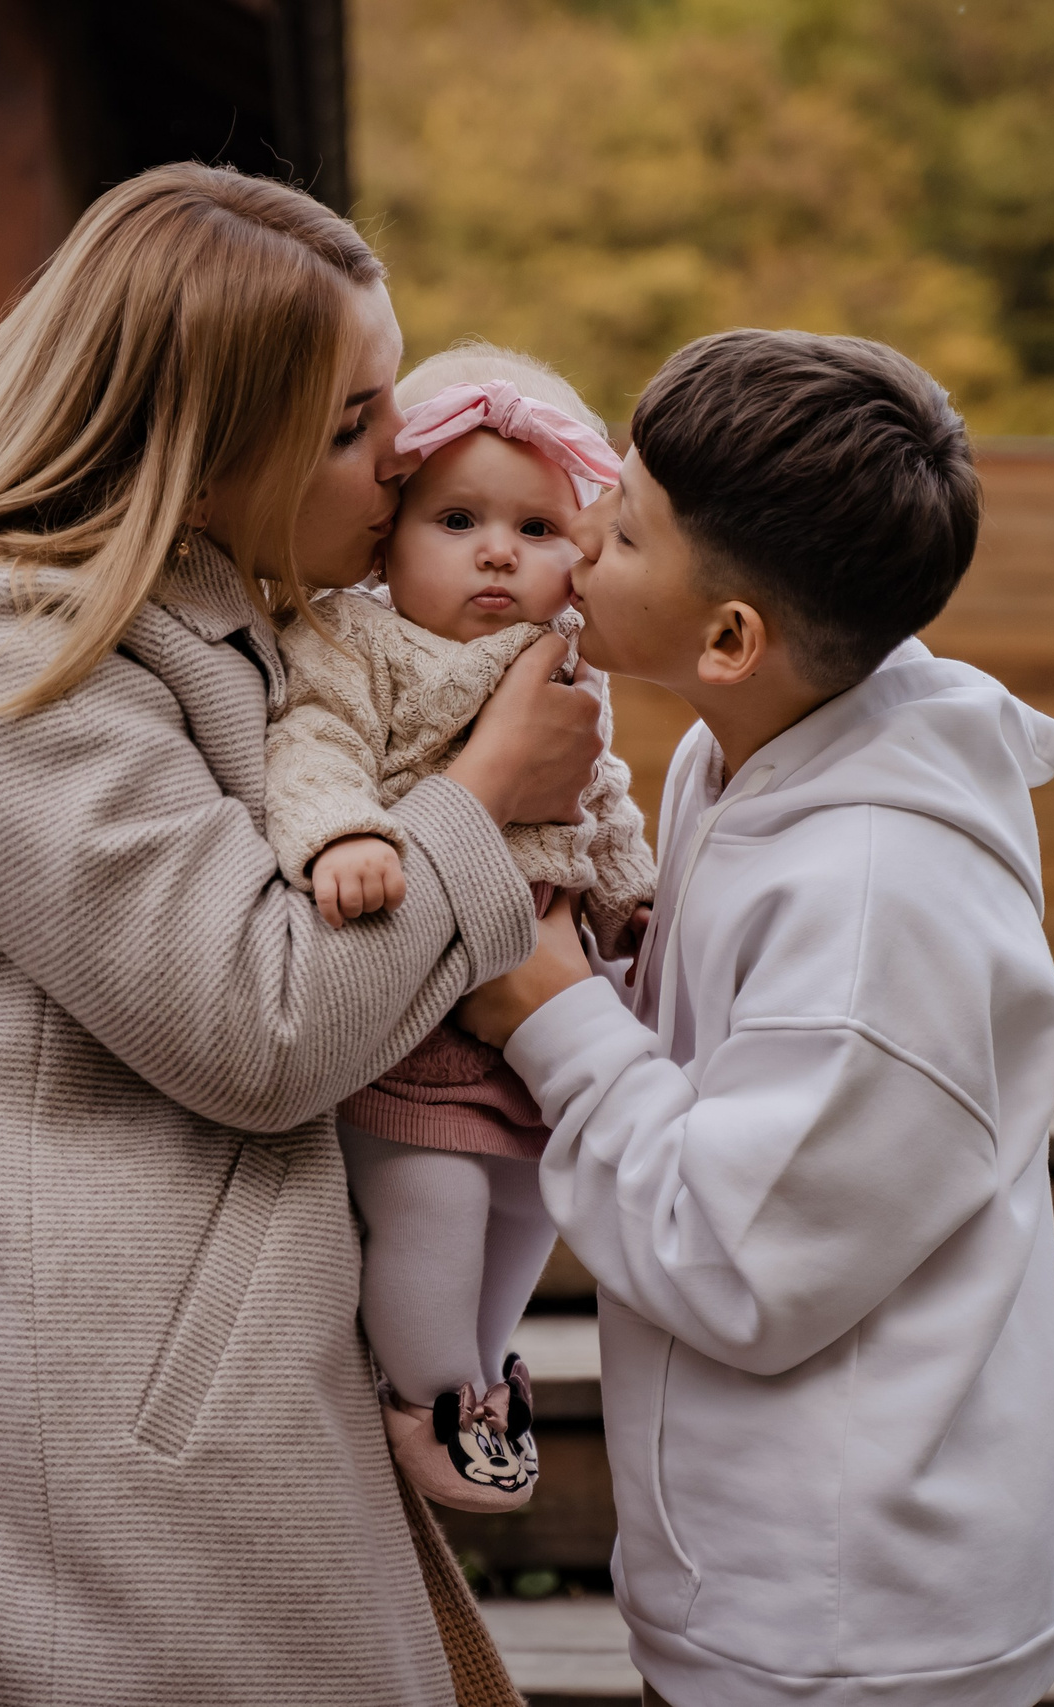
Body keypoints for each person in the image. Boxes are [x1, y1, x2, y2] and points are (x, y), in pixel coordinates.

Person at [0, 163, 602, 1707]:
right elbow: (255, 1020)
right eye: (351, 425)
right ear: (203, 444)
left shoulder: (195, 605)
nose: (393, 463)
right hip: (126, 1459)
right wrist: (486, 797)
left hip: (211, 1374)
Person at [460, 329, 1054, 1707]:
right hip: (767, 1576)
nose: (577, 533)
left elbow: (737, 1255)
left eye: (621, 532)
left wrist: (553, 1016)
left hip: (857, 1627)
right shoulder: (729, 751)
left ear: (732, 637)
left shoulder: (879, 902)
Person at [261, 344, 658, 1513]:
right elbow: (311, 746)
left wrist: (629, 889)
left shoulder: (567, 663)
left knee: (534, 1193)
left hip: (535, 1013)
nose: (497, 551)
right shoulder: (355, 641)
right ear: (388, 536)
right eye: (458, 519)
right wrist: (344, 840)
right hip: (419, 989)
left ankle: (482, 1372)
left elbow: (602, 791)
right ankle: (424, 1389)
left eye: (537, 530)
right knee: (431, 1197)